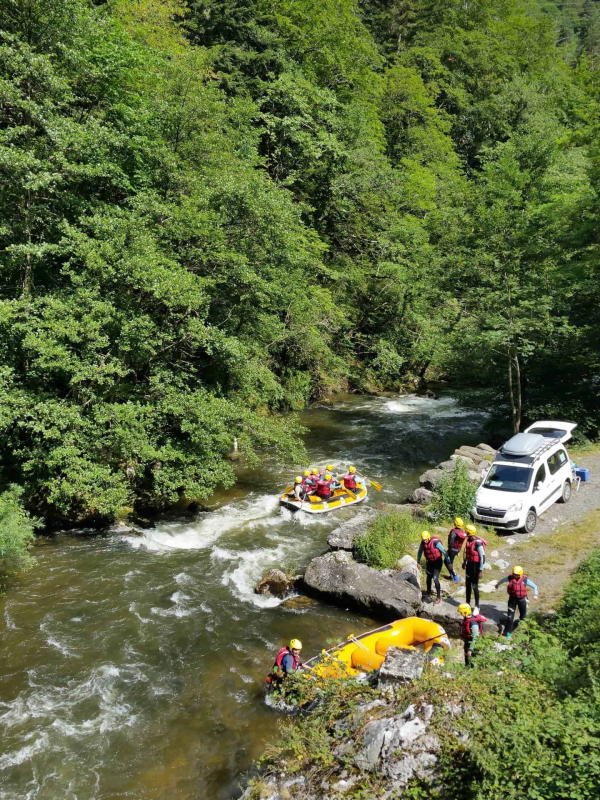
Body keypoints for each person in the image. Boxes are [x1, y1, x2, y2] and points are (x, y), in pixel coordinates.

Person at [494, 566, 538, 638]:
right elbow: (502, 580)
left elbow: (535, 586)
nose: (515, 576)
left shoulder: (525, 580)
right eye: (514, 574)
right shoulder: (510, 578)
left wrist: (535, 594)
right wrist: (497, 585)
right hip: (512, 600)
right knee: (510, 618)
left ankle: (521, 631)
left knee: (523, 616)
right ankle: (508, 634)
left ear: (520, 574)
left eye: (516, 575)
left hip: (522, 600)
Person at [417, 530, 458, 605]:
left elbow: (444, 552)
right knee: (428, 578)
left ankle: (438, 597)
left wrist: (448, 562)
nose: (425, 541)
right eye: (423, 540)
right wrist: (418, 562)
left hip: (437, 562)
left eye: (426, 539)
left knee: (435, 578)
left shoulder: (435, 543)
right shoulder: (422, 543)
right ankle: (428, 592)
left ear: (429, 538)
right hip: (429, 562)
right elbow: (420, 552)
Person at [462, 524, 487, 611]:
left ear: (470, 533)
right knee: (468, 585)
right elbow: (465, 552)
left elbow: (482, 557)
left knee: (475, 586)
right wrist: (464, 562)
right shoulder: (468, 540)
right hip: (469, 565)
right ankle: (467, 603)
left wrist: (480, 570)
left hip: (476, 567)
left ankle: (477, 606)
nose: (465, 534)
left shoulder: (478, 544)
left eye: (467, 532)